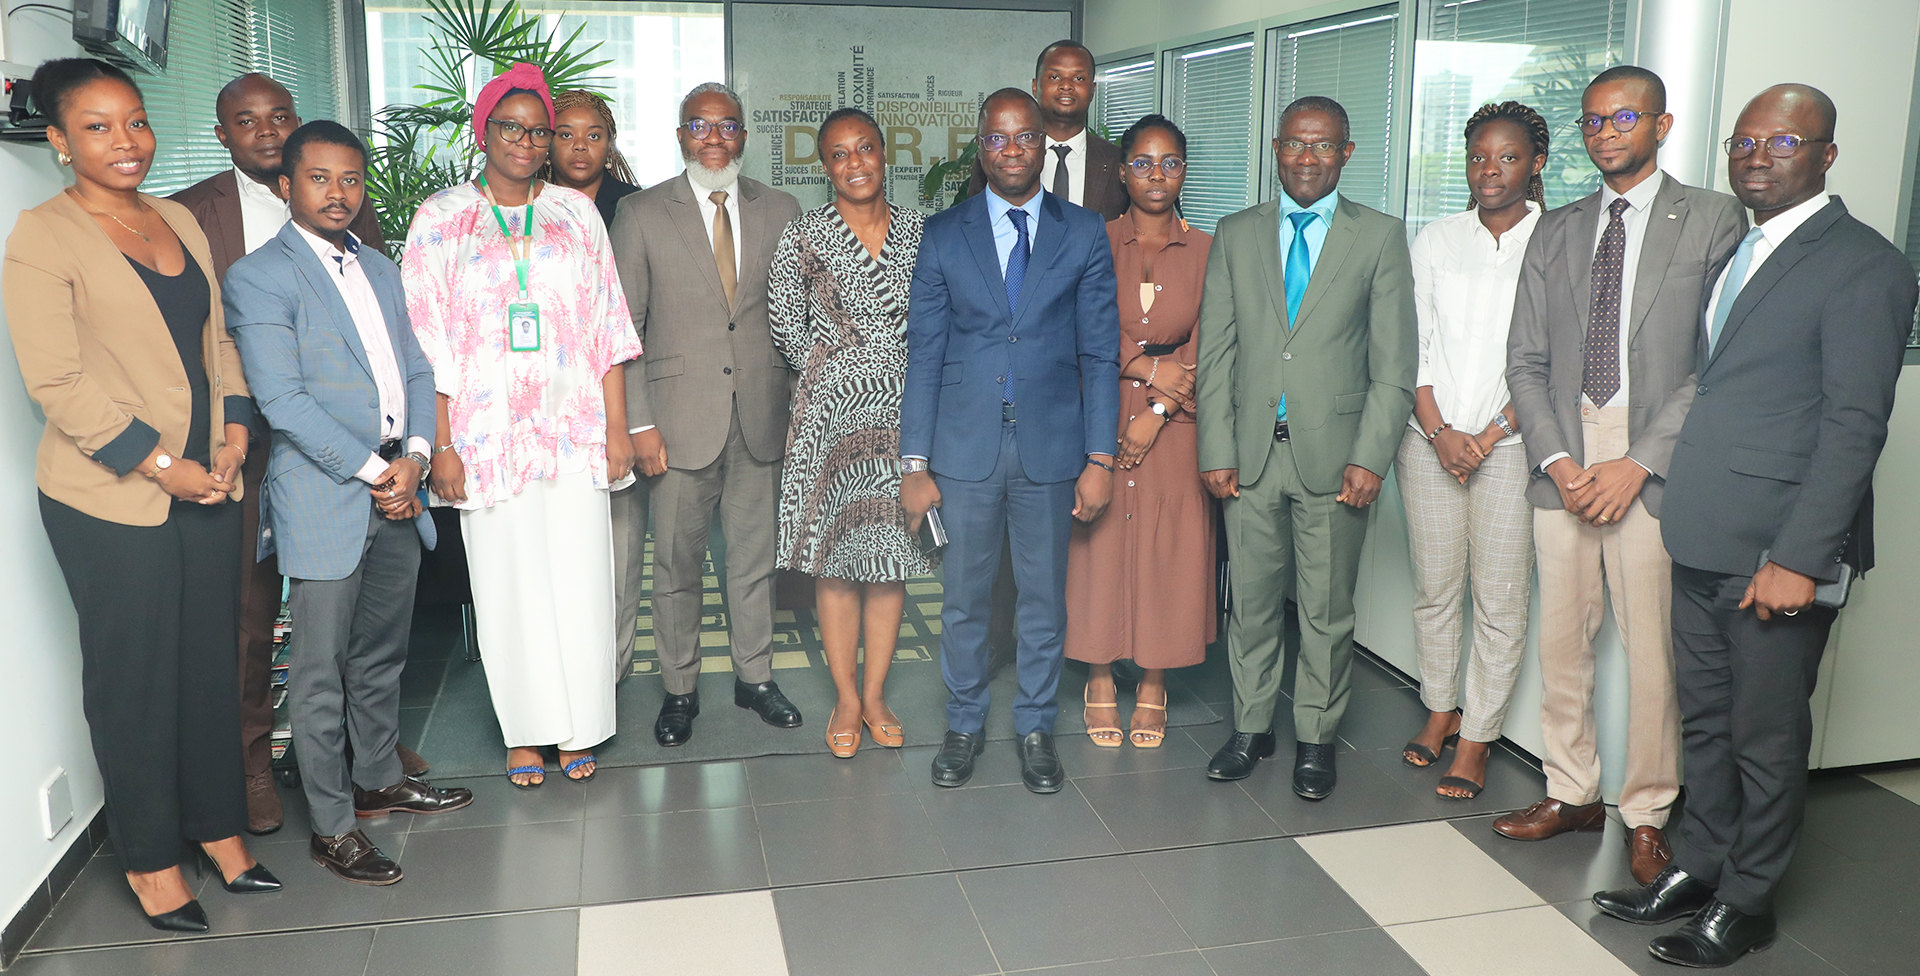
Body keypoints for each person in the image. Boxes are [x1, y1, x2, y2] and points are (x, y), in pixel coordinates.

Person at [1592, 85, 1918, 968]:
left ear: (1826, 155)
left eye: (1782, 141)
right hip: (1703, 532)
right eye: (1743, 141)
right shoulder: (1743, 249)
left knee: (1765, 738)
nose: (1757, 156)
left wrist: (1801, 558)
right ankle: (1699, 865)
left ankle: (1748, 900)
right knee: (1706, 722)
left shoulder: (1866, 265)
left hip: (1777, 550)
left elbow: (1855, 425)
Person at [4, 57, 278, 932]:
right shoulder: (42, 236)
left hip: (209, 480)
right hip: (111, 497)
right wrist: (163, 465)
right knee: (137, 680)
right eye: (97, 127)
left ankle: (218, 829)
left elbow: (219, 341)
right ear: (58, 140)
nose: (126, 142)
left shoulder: (177, 219)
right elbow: (56, 382)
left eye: (136, 121)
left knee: (209, 663)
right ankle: (153, 860)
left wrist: (233, 435)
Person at [1501, 66, 1745, 885]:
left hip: (1656, 459)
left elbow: (1717, 360)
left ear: (1662, 125)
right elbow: (1524, 359)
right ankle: (1570, 792)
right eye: (1593, 121)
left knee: (1653, 653)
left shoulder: (1712, 218)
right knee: (1562, 641)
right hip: (1564, 455)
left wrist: (1638, 462)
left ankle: (1647, 812)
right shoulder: (1557, 227)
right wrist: (1561, 460)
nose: (1606, 133)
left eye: (1624, 118)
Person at [225, 121, 475, 886]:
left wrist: (418, 458)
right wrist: (378, 471)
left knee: (382, 654)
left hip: (399, 485)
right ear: (285, 186)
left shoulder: (381, 269)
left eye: (351, 179)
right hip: (328, 494)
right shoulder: (259, 277)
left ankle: (377, 780)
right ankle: (332, 827)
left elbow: (416, 367)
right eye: (320, 178)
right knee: (320, 670)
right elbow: (283, 402)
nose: (339, 193)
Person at [169, 70, 405, 837]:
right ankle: (254, 764)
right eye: (248, 120)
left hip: (341, 453)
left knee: (357, 626)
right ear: (223, 134)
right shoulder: (190, 214)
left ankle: (370, 761)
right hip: (243, 444)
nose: (266, 130)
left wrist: (403, 451)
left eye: (279, 116)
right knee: (253, 618)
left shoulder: (350, 218)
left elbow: (381, 344)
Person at [403, 63, 642, 789]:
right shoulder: (441, 217)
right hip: (485, 436)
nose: (526, 141)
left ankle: (580, 726)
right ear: (484, 131)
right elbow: (425, 342)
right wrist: (442, 444)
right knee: (508, 586)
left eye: (539, 131)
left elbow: (606, 325)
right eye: (511, 127)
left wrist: (618, 428)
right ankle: (526, 732)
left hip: (573, 429)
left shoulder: (575, 214)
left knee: (580, 579)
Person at [1193, 96, 1416, 800]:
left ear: (1346, 153)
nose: (1307, 158)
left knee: (1324, 610)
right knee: (1252, 604)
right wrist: (1215, 447)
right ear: (1275, 149)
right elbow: (1216, 353)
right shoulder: (1236, 233)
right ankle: (1251, 727)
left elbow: (1394, 365)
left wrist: (1370, 457)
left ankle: (1316, 738)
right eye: (1294, 143)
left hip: (1337, 458)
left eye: (1322, 145)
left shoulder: (1378, 236)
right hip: (1250, 455)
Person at [902, 88, 1119, 793]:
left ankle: (1035, 728)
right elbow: (925, 354)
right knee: (964, 600)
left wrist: (1100, 457)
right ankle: (964, 724)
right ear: (981, 146)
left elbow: (1099, 354)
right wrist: (914, 462)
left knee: (1042, 601)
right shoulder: (944, 233)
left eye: (1025, 137)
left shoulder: (1083, 231)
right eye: (997, 138)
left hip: (1051, 450)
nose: (1013, 150)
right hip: (963, 450)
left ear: (1042, 144)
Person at [610, 82, 804, 748]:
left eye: (727, 125)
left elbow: (795, 318)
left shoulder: (781, 209)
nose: (714, 138)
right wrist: (639, 424)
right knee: (676, 568)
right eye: (700, 125)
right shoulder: (640, 213)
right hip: (674, 423)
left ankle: (755, 679)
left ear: (744, 136)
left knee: (754, 562)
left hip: (761, 418)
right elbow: (624, 330)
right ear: (680, 135)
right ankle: (679, 689)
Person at [769, 108, 934, 758]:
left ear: (884, 153)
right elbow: (785, 325)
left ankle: (875, 694)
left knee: (889, 561)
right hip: (831, 417)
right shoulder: (804, 234)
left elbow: (939, 322)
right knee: (835, 562)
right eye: (839, 154)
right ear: (825, 166)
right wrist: (840, 371)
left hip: (903, 414)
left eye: (865, 148)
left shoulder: (922, 231)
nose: (855, 162)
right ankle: (844, 697)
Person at [1396, 102, 1548, 800]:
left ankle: (1479, 736)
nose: (1490, 169)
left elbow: (1554, 357)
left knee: (1500, 598)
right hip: (1428, 439)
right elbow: (1414, 341)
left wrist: (1487, 436)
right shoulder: (1437, 238)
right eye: (1478, 156)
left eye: (1507, 157)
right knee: (1435, 590)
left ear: (1536, 164)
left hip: (1511, 447)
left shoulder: (1556, 241)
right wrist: (1439, 432)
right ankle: (1440, 709)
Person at [968, 40, 1127, 666]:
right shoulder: (995, 162)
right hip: (1009, 378)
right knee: (1000, 537)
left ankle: (1084, 653)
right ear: (1037, 85)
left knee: (1075, 535)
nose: (1066, 86)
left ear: (1093, 88)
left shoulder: (1119, 164)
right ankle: (1002, 643)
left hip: (1089, 364)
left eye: (1078, 77)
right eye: (1054, 76)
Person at [1064, 114, 1213, 749]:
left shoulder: (1209, 249)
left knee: (1168, 546)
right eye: (1144, 163)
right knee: (1096, 543)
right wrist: (1147, 366)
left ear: (1184, 172)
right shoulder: (1093, 240)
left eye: (1170, 163)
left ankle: (1154, 681)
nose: (1157, 175)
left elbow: (1217, 337)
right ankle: (1098, 675)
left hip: (1177, 418)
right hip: (1098, 406)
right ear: (1122, 172)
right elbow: (1079, 321)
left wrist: (1157, 409)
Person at [543, 89, 641, 229]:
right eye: (566, 135)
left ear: (609, 145)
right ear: (548, 143)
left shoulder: (637, 205)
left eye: (593, 136)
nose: (580, 146)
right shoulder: (528, 204)